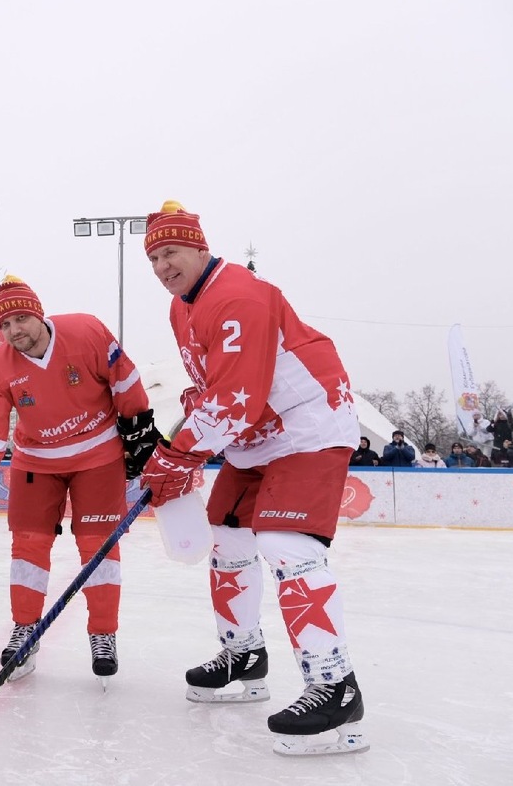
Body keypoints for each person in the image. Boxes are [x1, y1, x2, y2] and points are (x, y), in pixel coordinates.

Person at [139, 201, 367, 755]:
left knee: (285, 543)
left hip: (308, 423)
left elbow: (235, 394)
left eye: (171, 251)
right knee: (230, 538)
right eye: (154, 257)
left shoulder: (236, 294)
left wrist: (180, 450)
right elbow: (217, 386)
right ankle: (244, 654)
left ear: (199, 246)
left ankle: (335, 685)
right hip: (255, 434)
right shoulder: (181, 309)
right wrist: (185, 436)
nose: (163, 265)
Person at [0, 275, 154, 684]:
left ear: (38, 313)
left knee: (98, 546)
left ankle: (103, 634)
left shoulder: (86, 331)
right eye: (5, 324)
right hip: (36, 459)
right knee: (28, 546)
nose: (14, 330)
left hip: (99, 455)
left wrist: (140, 431)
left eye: (21, 318)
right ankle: (25, 629)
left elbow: (124, 379)